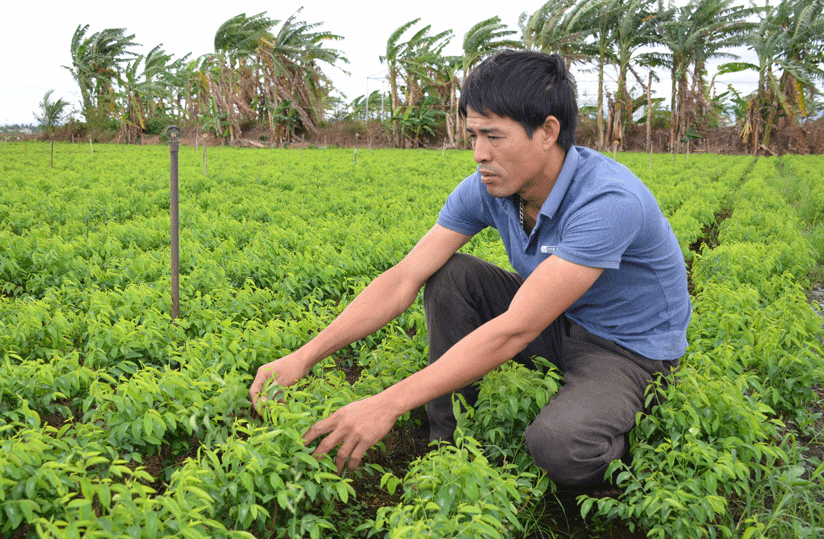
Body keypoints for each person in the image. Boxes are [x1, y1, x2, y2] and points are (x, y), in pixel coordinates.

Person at [249, 49, 690, 490]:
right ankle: (448, 446)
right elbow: (405, 277)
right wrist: (302, 357)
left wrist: (386, 403)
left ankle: (625, 462)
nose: (479, 153)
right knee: (449, 275)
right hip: (557, 320)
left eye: (494, 136)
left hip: (624, 349)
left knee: (559, 445)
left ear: (547, 132)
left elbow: (516, 328)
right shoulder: (488, 187)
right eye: (473, 135)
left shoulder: (608, 201)